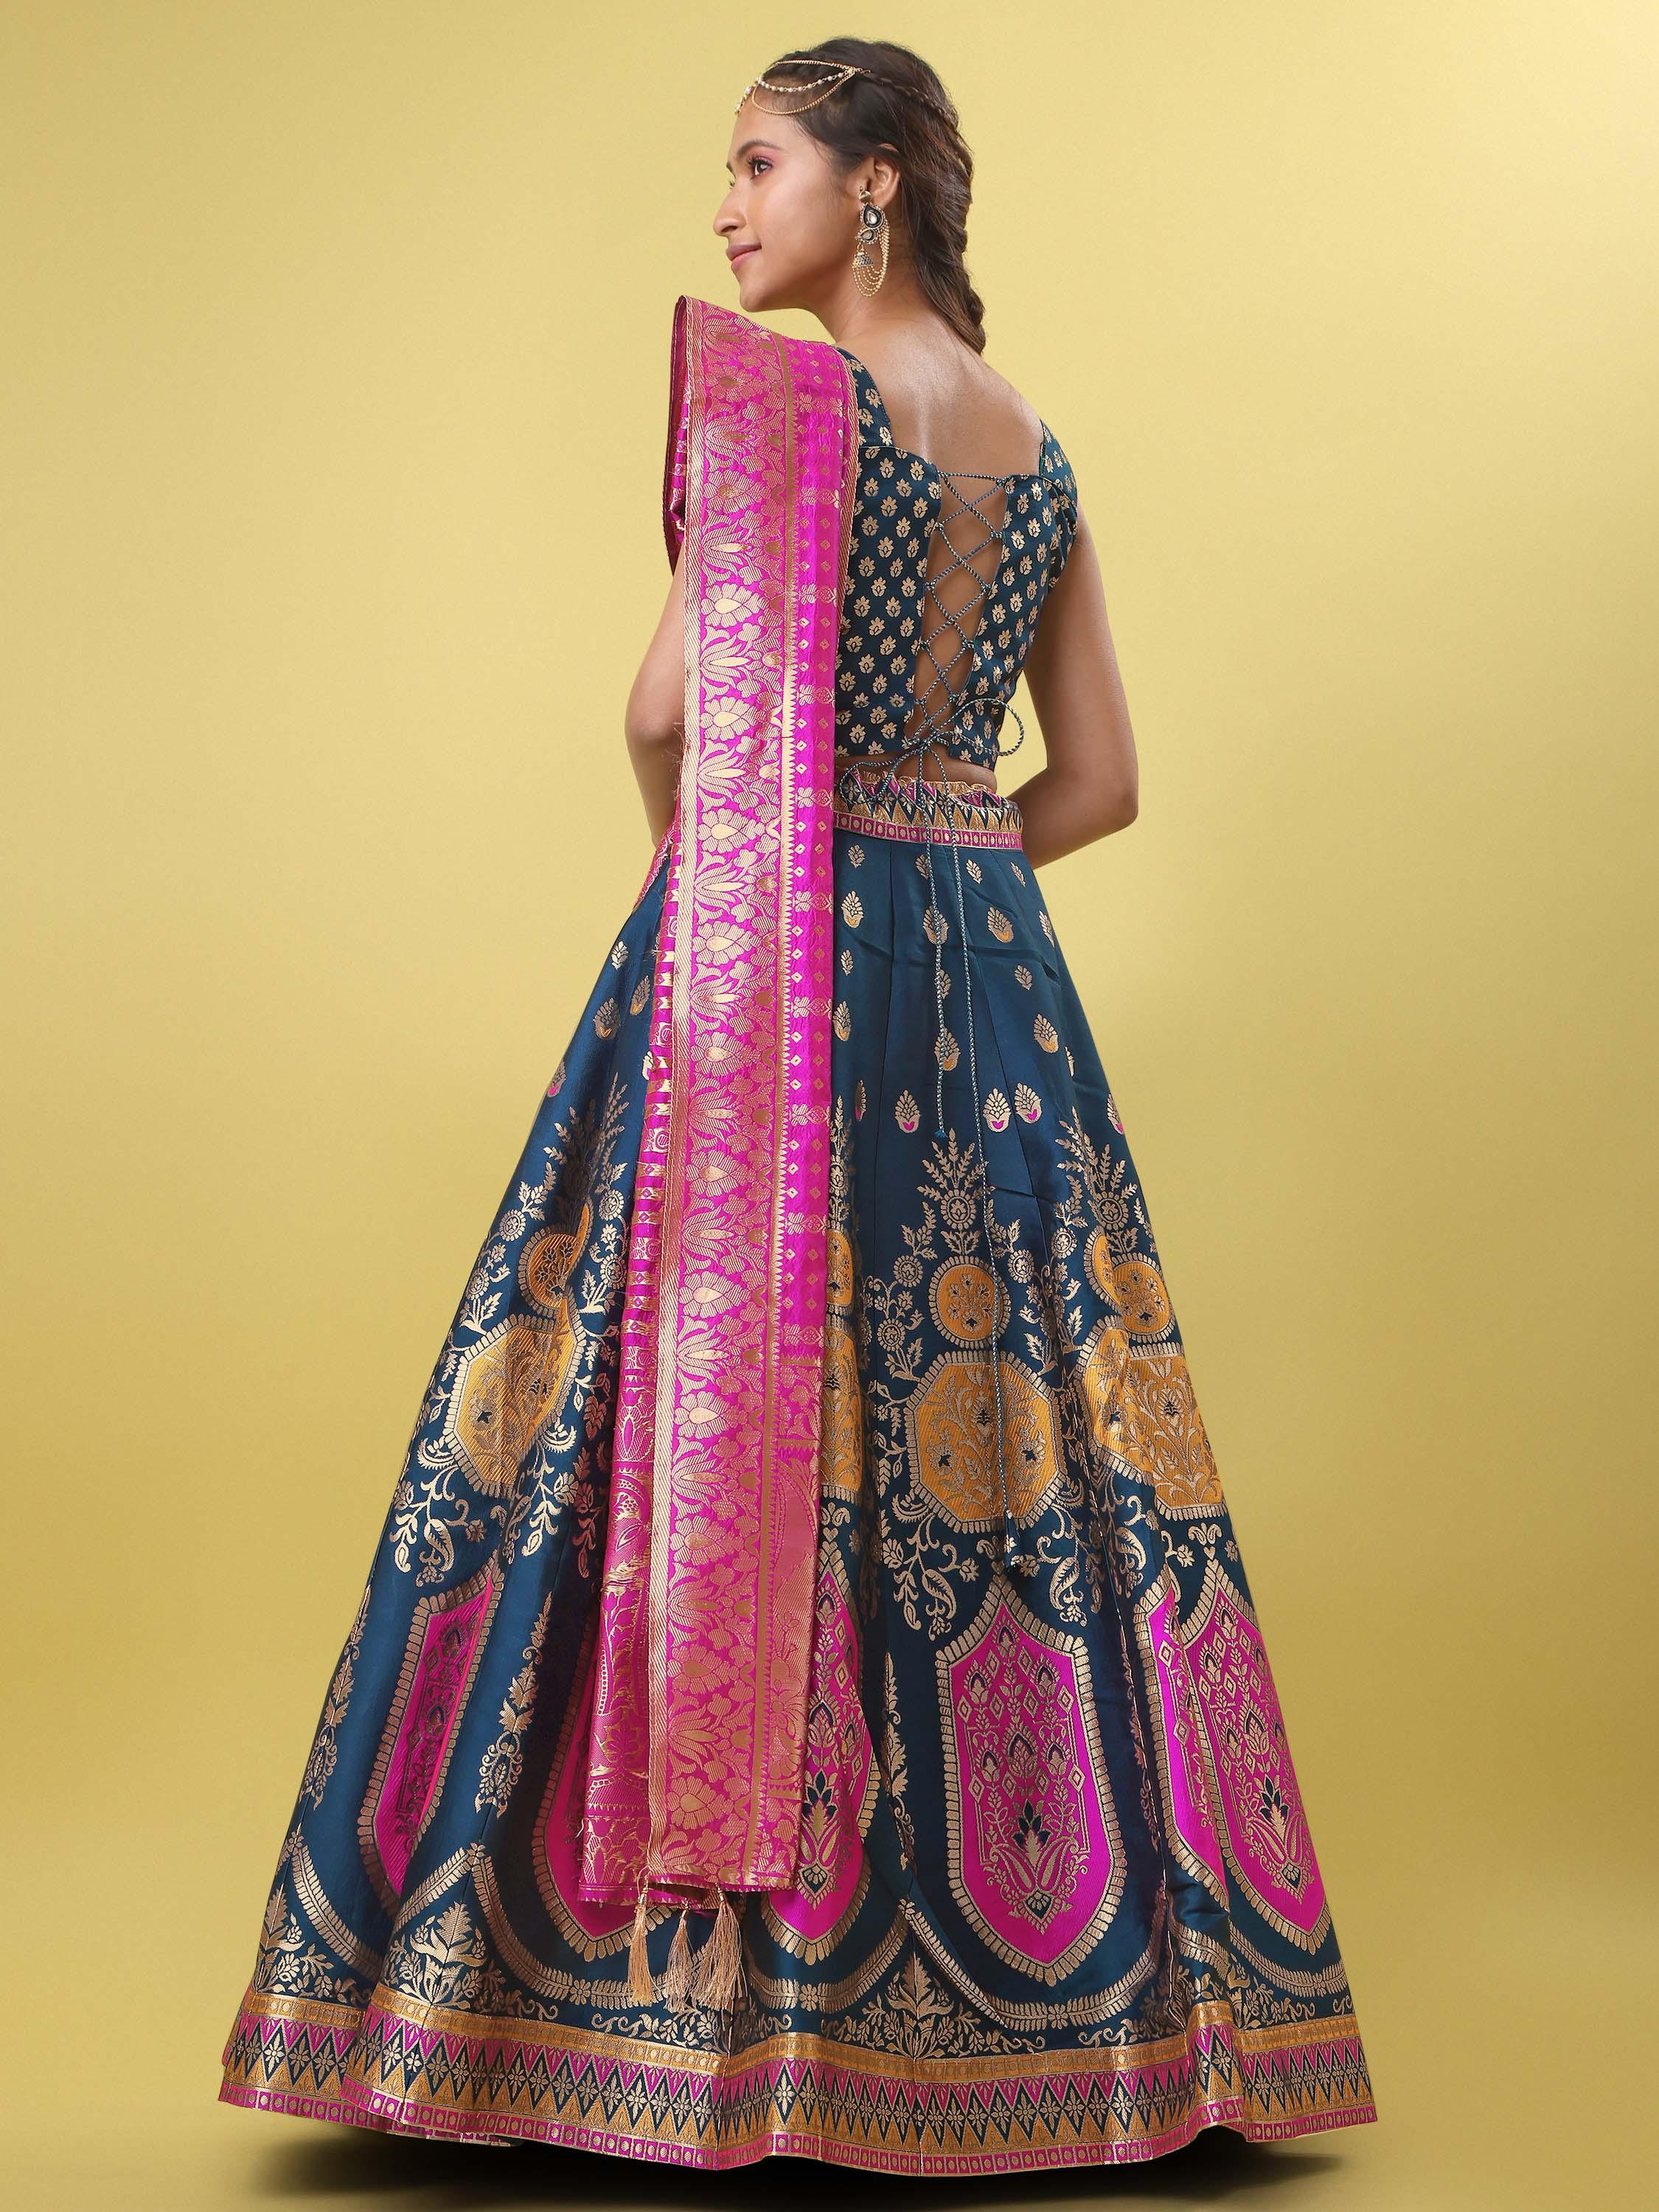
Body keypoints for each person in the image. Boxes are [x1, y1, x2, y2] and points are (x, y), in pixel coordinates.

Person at [218, 36, 1377, 2174]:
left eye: (756, 166)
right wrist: (939, 864)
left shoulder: (774, 421)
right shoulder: (1032, 449)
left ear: (873, 189)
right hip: (989, 983)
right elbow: (1102, 782)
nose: (727, 207)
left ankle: (628, 2022)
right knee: (1018, 1445)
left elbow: (660, 713)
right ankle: (1081, 2026)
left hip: (759, 965)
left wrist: (744, 873)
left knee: (678, 1426)